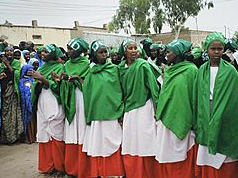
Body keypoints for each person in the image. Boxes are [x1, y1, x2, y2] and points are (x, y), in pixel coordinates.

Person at [193, 32, 238, 178]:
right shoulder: (201, 70)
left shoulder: (231, 71)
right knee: (208, 153)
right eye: (213, 48)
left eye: (220, 48)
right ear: (207, 49)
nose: (216, 52)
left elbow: (236, 99)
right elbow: (197, 96)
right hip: (206, 113)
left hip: (227, 116)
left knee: (225, 155)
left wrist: (223, 113)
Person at [155, 39, 198, 178]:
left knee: (181, 155)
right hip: (166, 118)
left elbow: (194, 96)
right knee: (167, 154)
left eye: (169, 51)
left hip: (183, 117)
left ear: (178, 52)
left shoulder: (191, 70)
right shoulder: (168, 71)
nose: (165, 54)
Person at [82, 40, 125, 177]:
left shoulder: (115, 69)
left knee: (113, 141)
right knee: (99, 144)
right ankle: (101, 172)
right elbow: (88, 94)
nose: (104, 54)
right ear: (95, 54)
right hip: (96, 114)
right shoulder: (91, 72)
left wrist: (120, 109)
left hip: (112, 112)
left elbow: (121, 89)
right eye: (100, 52)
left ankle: (115, 172)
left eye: (105, 51)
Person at [118, 38, 159, 178]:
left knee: (145, 141)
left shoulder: (143, 66)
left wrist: (156, 108)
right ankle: (133, 173)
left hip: (144, 108)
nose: (134, 51)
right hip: (129, 110)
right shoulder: (120, 68)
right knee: (131, 142)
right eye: (130, 48)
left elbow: (154, 88)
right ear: (124, 51)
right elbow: (119, 91)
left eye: (136, 48)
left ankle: (148, 173)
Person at [57, 38, 90, 177]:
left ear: (78, 50)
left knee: (81, 132)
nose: (68, 51)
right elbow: (63, 81)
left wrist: (77, 79)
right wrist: (61, 80)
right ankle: (71, 169)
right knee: (71, 133)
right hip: (70, 100)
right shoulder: (67, 64)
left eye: (71, 49)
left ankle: (84, 169)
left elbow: (88, 85)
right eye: (68, 48)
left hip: (81, 100)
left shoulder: (87, 64)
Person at [31, 44, 65, 175]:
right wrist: (37, 82)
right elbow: (36, 86)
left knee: (56, 134)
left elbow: (59, 88)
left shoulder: (60, 67)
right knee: (44, 133)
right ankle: (48, 166)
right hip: (42, 103)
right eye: (41, 51)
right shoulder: (42, 67)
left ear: (53, 54)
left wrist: (42, 79)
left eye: (46, 51)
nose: (42, 53)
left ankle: (59, 166)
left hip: (54, 103)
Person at [0, 46, 23, 144]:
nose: (9, 52)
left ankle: (15, 136)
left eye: (11, 51)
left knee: (14, 113)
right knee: (6, 113)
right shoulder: (1, 64)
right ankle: (7, 137)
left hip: (13, 90)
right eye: (7, 51)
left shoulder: (17, 63)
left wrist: (7, 64)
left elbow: (15, 74)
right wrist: (4, 65)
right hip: (5, 90)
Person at [19, 64, 36, 144]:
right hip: (26, 104)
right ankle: (28, 138)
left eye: (32, 70)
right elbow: (23, 92)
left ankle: (34, 137)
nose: (31, 71)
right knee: (28, 121)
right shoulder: (22, 81)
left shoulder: (33, 80)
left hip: (33, 104)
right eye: (30, 70)